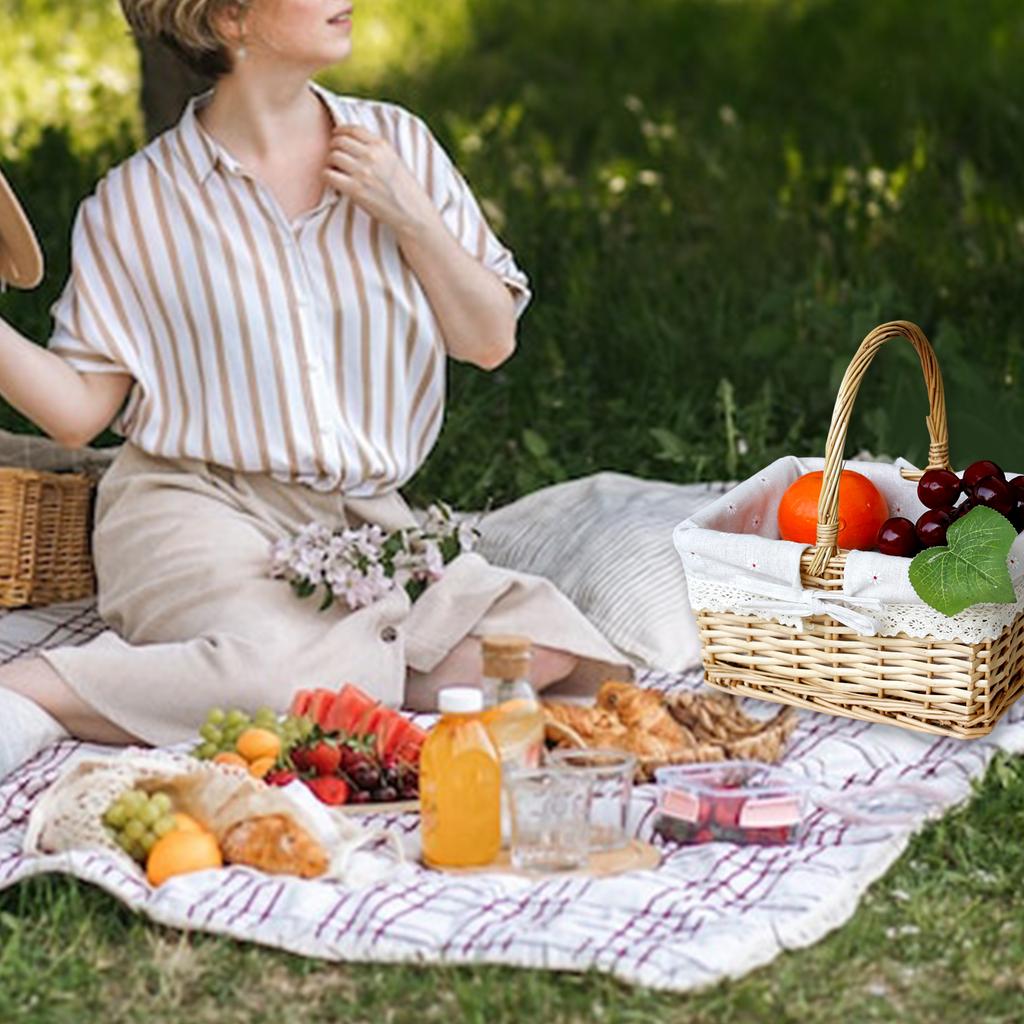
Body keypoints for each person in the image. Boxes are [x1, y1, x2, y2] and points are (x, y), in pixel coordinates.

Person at [0, 0, 631, 777]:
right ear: (229, 18)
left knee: (552, 647)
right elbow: (79, 412)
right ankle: (31, 687)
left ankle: (327, 677)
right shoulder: (137, 201)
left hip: (359, 521)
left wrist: (410, 214)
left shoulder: (397, 145)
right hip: (195, 506)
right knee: (268, 676)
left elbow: (488, 340)